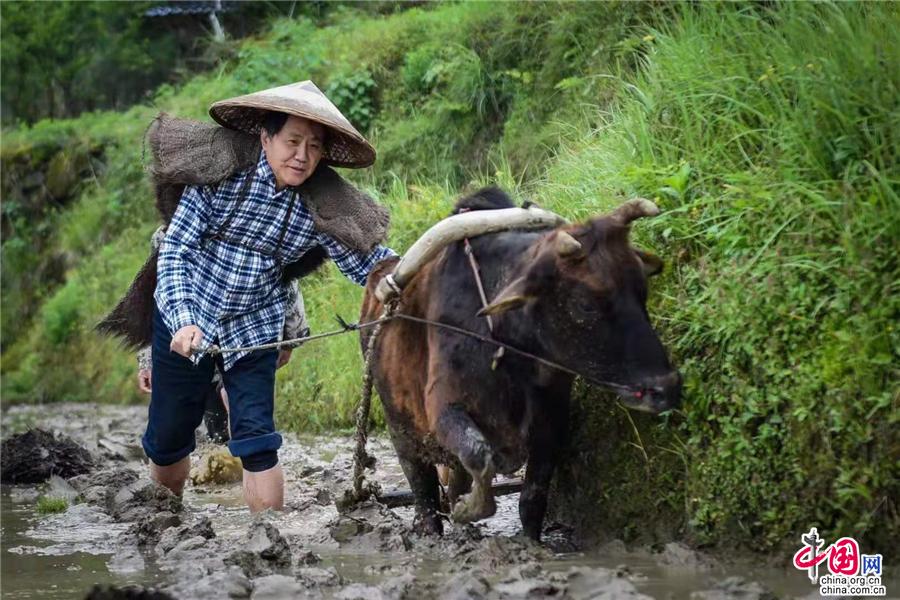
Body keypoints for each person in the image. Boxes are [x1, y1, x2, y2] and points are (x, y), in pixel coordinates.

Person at [143, 81, 395, 512]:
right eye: (292, 141)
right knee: (168, 438)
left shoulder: (321, 202)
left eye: (314, 146)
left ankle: (270, 541)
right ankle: (163, 521)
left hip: (254, 324)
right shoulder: (218, 175)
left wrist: (415, 274)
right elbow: (176, 251)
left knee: (258, 439)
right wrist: (184, 319)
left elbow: (367, 265)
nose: (302, 155)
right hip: (188, 310)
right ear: (266, 137)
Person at [136, 226, 311, 443]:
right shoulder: (167, 236)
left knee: (244, 412)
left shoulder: (260, 225)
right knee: (209, 422)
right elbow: (155, 299)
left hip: (246, 334)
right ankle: (222, 464)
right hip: (193, 339)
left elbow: (287, 279)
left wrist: (290, 337)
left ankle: (244, 463)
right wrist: (147, 358)